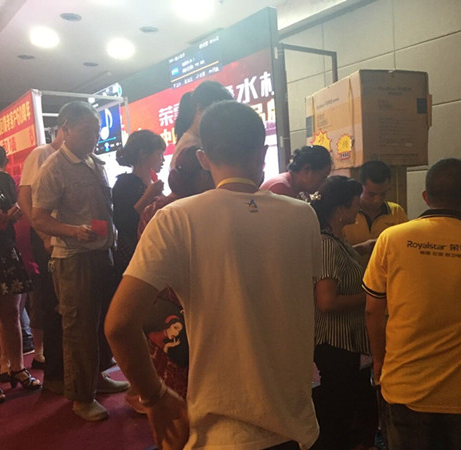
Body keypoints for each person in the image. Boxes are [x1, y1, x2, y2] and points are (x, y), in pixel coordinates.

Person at [105, 100, 321, 449]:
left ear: (204, 158)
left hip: (222, 432)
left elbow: (119, 325)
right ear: (262, 152)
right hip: (298, 425)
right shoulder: (303, 215)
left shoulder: (176, 218)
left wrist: (156, 397)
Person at [364, 158, 461, 450]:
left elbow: (372, 311)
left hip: (405, 384)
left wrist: (379, 361)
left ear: (426, 197)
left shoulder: (391, 239)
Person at [32, 101, 129, 421]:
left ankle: (95, 378)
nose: (93, 138)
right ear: (66, 129)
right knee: (78, 329)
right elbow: (39, 218)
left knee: (98, 325)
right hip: (74, 260)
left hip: (101, 253)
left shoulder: (94, 162)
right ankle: (81, 398)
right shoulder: (53, 168)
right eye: (87, 131)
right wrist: (72, 231)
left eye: (96, 131)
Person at [124, 145, 214, 410]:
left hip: (160, 303)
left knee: (169, 373)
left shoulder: (156, 208)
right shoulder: (189, 211)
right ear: (201, 175)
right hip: (187, 304)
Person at [309, 176, 377, 450]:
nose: (359, 209)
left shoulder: (337, 240)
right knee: (337, 415)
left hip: (347, 343)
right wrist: (373, 296)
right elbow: (326, 301)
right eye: (354, 204)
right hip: (334, 345)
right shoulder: (326, 244)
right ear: (339, 210)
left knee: (348, 410)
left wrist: (362, 248)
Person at [17, 125, 65, 393]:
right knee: (51, 301)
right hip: (46, 236)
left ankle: (71, 369)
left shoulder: (78, 158)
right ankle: (54, 371)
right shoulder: (41, 154)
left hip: (66, 237)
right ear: (63, 128)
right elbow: (25, 197)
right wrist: (42, 233)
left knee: (68, 304)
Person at [0, 144, 40, 404]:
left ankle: (17, 367)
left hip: (5, 250)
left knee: (11, 314)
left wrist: (10, 216)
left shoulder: (3, 180)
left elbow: (13, 211)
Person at [112, 129, 165, 278]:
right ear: (143, 154)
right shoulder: (125, 183)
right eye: (159, 154)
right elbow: (123, 222)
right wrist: (149, 195)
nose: (162, 159)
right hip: (134, 256)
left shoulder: (151, 183)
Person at [343, 160, 408, 264]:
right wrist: (362, 248)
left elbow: (405, 247)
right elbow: (334, 254)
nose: (377, 200)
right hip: (353, 273)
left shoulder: (396, 212)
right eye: (371, 194)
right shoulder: (345, 213)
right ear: (360, 187)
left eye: (383, 194)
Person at [170, 80, 234, 168]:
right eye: (217, 113)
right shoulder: (191, 149)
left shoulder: (194, 143)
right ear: (199, 108)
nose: (221, 122)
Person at [260, 145, 332, 199]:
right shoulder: (281, 187)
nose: (323, 183)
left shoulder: (292, 187)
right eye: (323, 177)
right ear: (307, 169)